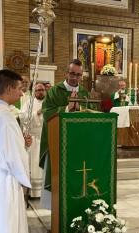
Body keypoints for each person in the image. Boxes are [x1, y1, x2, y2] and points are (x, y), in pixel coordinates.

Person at [39, 59, 97, 210]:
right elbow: (46, 113)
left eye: (78, 75)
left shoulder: (83, 92)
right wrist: (66, 109)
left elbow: (92, 113)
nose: (75, 78)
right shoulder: (54, 90)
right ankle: (57, 209)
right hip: (59, 142)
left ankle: (76, 205)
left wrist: (79, 109)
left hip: (78, 144)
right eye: (72, 74)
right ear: (66, 73)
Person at [0, 70, 32, 233]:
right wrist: (24, 176)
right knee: (8, 222)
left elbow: (4, 146)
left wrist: (21, 144)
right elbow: (13, 157)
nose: (21, 93)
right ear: (9, 89)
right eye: (19, 88)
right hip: (7, 176)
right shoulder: (5, 117)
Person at [19, 83, 46, 197]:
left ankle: (44, 191)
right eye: (38, 90)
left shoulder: (48, 103)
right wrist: (37, 113)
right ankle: (33, 192)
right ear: (33, 92)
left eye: (43, 90)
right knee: (34, 165)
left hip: (45, 138)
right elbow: (22, 117)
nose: (41, 92)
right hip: (34, 139)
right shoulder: (29, 103)